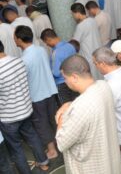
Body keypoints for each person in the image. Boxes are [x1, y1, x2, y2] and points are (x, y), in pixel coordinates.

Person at [55, 55, 121, 174]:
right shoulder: (104, 85)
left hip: (90, 167)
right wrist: (70, 104)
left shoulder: (79, 108)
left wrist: (60, 117)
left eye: (65, 78)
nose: (65, 82)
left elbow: (61, 143)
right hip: (109, 156)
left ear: (75, 77)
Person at [0, 40, 49, 173]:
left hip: (8, 117)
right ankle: (44, 163)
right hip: (26, 110)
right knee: (32, 136)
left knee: (16, 148)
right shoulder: (19, 61)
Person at [14, 25, 59, 159]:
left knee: (41, 123)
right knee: (54, 119)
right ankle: (61, 144)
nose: (14, 40)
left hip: (37, 95)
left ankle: (52, 150)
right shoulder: (41, 50)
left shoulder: (23, 60)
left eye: (15, 38)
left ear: (20, 40)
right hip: (50, 89)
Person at [40, 29, 78, 104]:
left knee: (66, 108)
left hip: (62, 85)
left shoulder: (56, 53)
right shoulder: (70, 46)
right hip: (75, 79)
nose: (47, 45)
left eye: (46, 42)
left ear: (48, 39)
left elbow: (56, 73)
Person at [71, 3, 103, 79]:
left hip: (88, 55)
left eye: (73, 14)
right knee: (100, 74)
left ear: (77, 13)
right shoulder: (92, 20)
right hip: (97, 51)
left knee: (93, 77)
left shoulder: (81, 26)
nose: (73, 16)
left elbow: (75, 42)